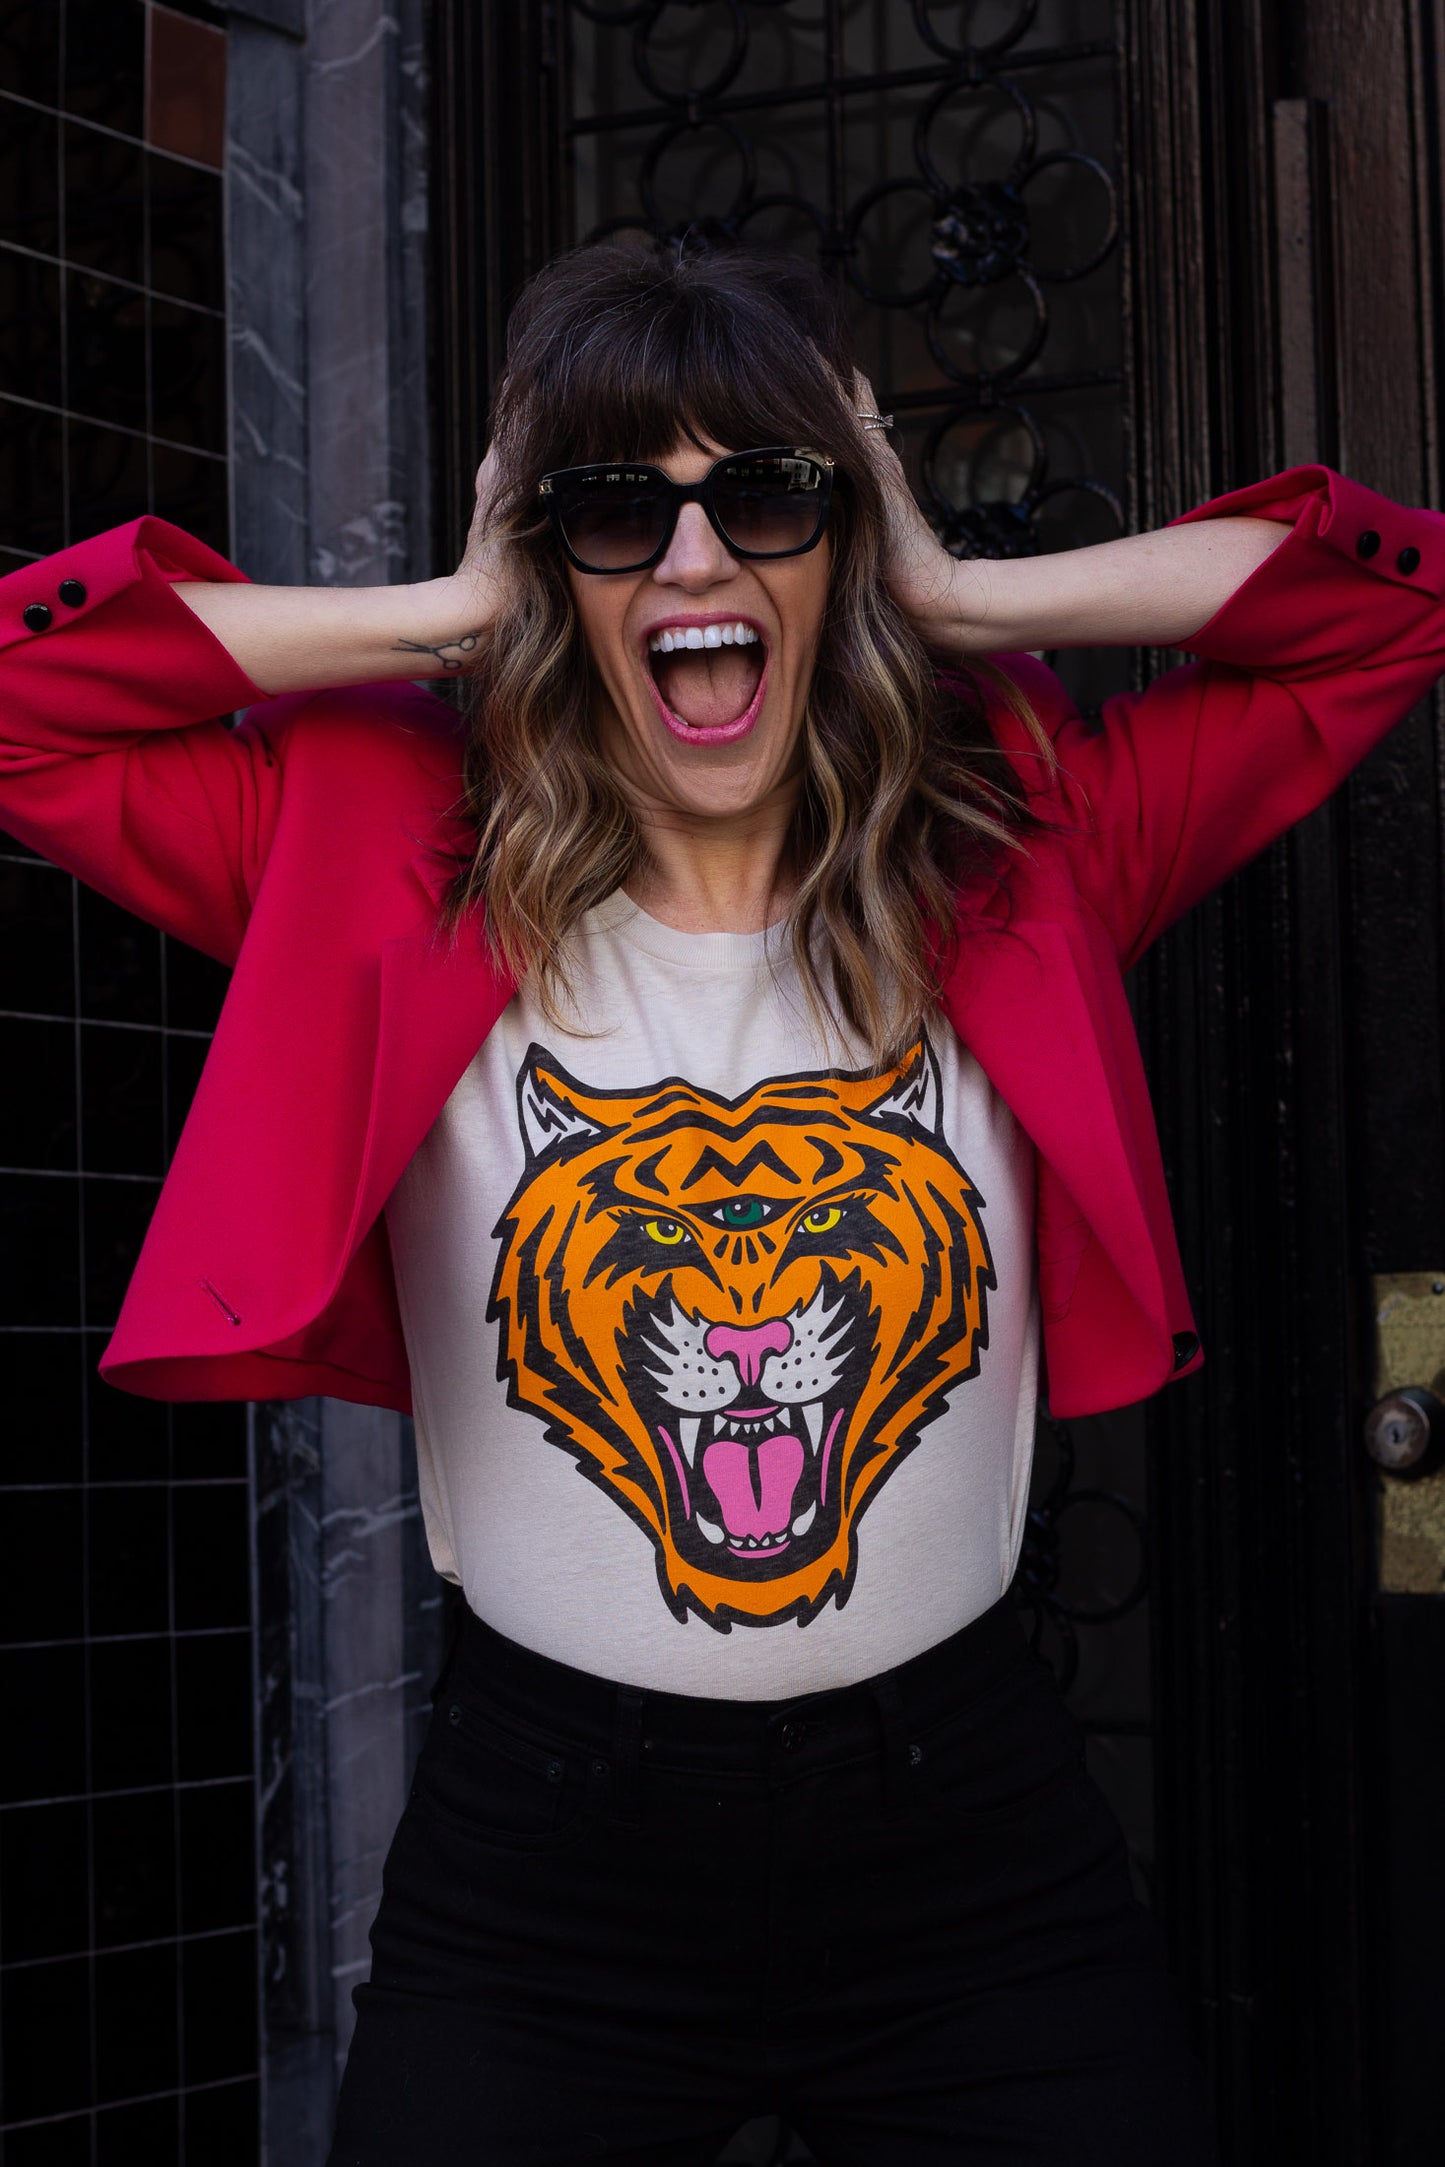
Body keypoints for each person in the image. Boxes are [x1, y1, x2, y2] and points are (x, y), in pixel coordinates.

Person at [4, 239, 1443, 2167]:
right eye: (615, 514)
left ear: (834, 539)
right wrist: (441, 612)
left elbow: (1378, 622)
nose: (695, 568)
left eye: (761, 498)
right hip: (544, 1863)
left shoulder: (1021, 839)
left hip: (971, 1856)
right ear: (550, 565)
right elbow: (25, 707)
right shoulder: (372, 850)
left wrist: (950, 585)